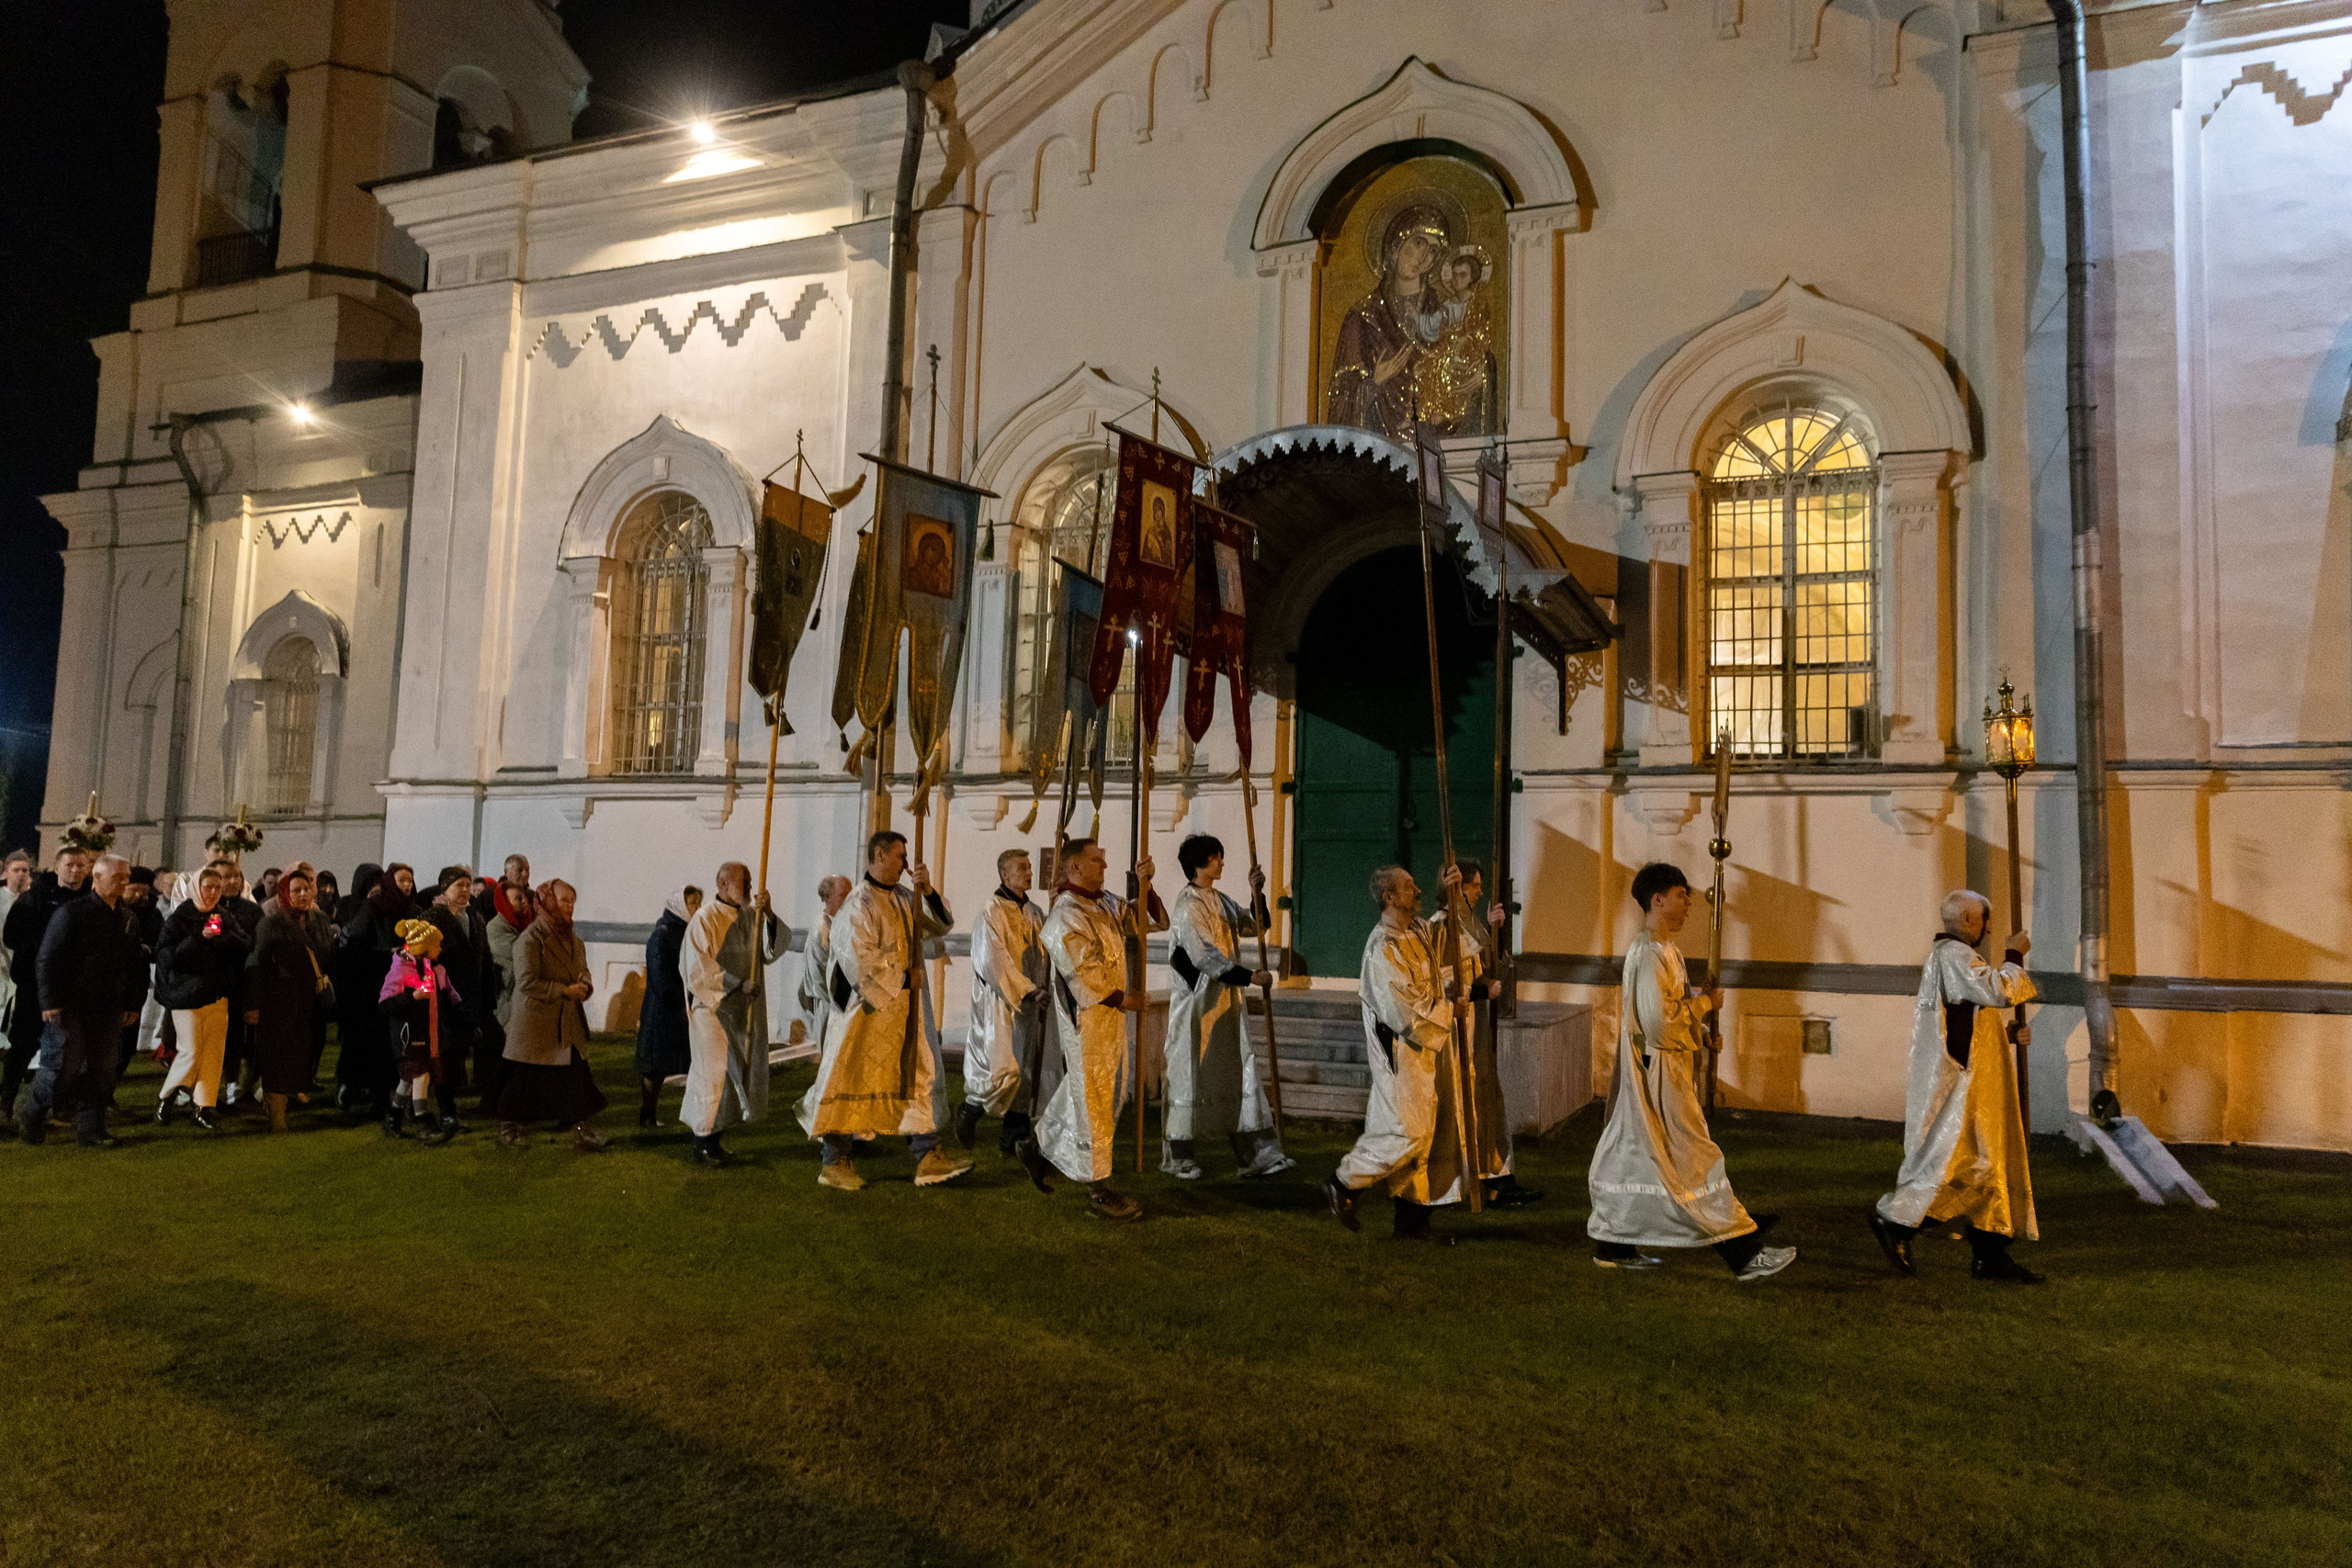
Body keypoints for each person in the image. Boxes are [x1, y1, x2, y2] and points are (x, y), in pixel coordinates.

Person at [1587, 863, 1796, 1280]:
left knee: (1635, 1156)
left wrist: (1701, 1032)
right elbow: (1660, 1024)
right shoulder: (1648, 953)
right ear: (1657, 899)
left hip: (1668, 1069)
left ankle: (1613, 1244)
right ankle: (1743, 1252)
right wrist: (1704, 1007)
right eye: (1681, 894)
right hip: (1658, 1074)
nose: (1688, 903)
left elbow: (1672, 1009)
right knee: (1695, 1156)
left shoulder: (1669, 950)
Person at [1870, 893, 2043, 1285]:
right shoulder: (1955, 955)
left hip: (1976, 1082)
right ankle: (1898, 1221)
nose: (1988, 928)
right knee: (1960, 1163)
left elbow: (1969, 1017)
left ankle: (1990, 1252)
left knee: (1987, 1160)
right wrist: (2013, 955)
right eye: (1984, 919)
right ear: (1968, 919)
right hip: (1965, 1087)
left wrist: (2008, 1033)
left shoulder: (1954, 959)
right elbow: (1999, 991)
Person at [801, 831, 970, 1190]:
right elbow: (857, 959)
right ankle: (834, 1163)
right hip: (864, 1014)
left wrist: (927, 890)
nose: (905, 864)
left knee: (914, 1077)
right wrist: (904, 978)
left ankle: (928, 1157)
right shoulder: (857, 905)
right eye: (899, 857)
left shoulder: (906, 899)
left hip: (901, 1016)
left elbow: (939, 924)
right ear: (878, 855)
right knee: (850, 1080)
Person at [1018, 837, 1166, 1222]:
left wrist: (1146, 885)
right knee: (1095, 1098)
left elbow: (1150, 923)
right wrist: (1124, 999)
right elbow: (1081, 973)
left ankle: (1035, 1146)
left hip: (1110, 1017)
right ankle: (1097, 1189)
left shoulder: (1105, 903)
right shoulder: (1064, 916)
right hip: (1087, 1018)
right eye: (1096, 861)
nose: (1103, 866)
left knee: (1104, 1089)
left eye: (1104, 859)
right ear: (1074, 868)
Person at [1323, 864, 1470, 1245]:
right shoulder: (1382, 948)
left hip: (1424, 1053)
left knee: (1424, 1136)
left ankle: (1412, 1222)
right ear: (1389, 897)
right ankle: (1344, 1182)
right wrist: (1446, 1012)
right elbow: (1403, 1008)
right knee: (1407, 1132)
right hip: (1401, 1053)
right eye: (1408, 887)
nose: (1417, 890)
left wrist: (1456, 898)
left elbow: (1456, 944)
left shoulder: (1418, 931)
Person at [1160, 833, 1291, 1180]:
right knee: (1191, 1076)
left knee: (1237, 1072)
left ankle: (1253, 1154)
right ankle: (1179, 1156)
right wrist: (1250, 977)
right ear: (1198, 863)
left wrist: (1256, 892)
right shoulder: (1188, 906)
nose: (1221, 862)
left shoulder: (1220, 901)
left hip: (1226, 1008)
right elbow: (1204, 956)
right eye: (1215, 857)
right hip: (1196, 1009)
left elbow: (1255, 924)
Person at [1429, 859, 1537, 1209]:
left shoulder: (1469, 924)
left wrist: (1495, 931)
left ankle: (1497, 1176)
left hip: (1478, 1028)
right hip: (1456, 1028)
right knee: (1463, 1099)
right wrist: (1477, 993)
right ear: (1457, 888)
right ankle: (1467, 1178)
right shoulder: (1441, 926)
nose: (1479, 890)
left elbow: (1490, 969)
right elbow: (1439, 983)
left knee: (1487, 1096)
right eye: (1473, 885)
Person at [22, 853, 148, 1147]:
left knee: (103, 1070)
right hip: (72, 1006)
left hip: (109, 1008)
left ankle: (91, 1128)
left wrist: (133, 1003)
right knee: (61, 1068)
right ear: (98, 878)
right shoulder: (71, 914)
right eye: (120, 877)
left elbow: (135, 965)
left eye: (127, 876)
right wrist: (49, 1001)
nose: (126, 882)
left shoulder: (127, 919)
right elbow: (48, 958)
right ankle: (33, 1111)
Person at [680, 863, 788, 1168]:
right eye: (746, 882)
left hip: (742, 1012)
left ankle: (713, 1142)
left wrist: (768, 914)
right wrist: (737, 984)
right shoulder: (705, 920)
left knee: (732, 1079)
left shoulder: (748, 918)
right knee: (711, 1077)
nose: (751, 887)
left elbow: (771, 951)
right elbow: (698, 968)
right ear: (725, 885)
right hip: (713, 1010)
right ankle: (701, 1142)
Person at [494, 878, 607, 1151]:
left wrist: (585, 986)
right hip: (535, 1022)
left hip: (566, 1022)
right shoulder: (530, 939)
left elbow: (583, 970)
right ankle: (509, 1129)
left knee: (575, 1076)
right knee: (522, 1079)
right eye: (563, 900)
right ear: (547, 902)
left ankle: (581, 1129)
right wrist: (564, 990)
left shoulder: (574, 940)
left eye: (571, 900)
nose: (568, 906)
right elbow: (526, 981)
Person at [956, 848, 1047, 1157]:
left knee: (1026, 1069)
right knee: (1003, 1068)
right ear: (1003, 874)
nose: (1028, 871)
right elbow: (992, 960)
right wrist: (1026, 988)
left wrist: (1042, 986)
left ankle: (1014, 1135)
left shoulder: (1034, 912)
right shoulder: (991, 911)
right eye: (1021, 867)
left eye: (1029, 866)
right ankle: (971, 1109)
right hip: (1000, 1001)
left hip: (1032, 1001)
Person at [152, 862, 249, 1130]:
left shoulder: (224, 917)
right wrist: (199, 938)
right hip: (187, 994)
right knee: (191, 1051)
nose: (214, 892)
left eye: (218, 888)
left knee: (213, 1053)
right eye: (208, 886)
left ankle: (204, 1105)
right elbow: (167, 956)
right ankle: (167, 1097)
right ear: (196, 887)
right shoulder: (180, 919)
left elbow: (243, 946)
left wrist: (220, 938)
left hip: (218, 993)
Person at [3, 845, 92, 1131]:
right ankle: (5, 1103)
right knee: (23, 1046)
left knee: (69, 1051)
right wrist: (45, 950)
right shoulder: (36, 898)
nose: (75, 870)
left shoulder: (90, 898)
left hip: (73, 987)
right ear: (57, 866)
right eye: (70, 865)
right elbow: (12, 937)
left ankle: (58, 1106)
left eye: (81, 865)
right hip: (34, 984)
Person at [247, 866, 332, 1134]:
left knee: (298, 1055)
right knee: (277, 1058)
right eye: (296, 890)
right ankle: (278, 1116)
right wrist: (253, 1005)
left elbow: (326, 956)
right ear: (285, 893)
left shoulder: (320, 920)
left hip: (309, 1000)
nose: (303, 894)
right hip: (278, 1000)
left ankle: (276, 1105)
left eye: (307, 889)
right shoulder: (272, 923)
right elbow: (257, 964)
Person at [380, 917, 473, 1144]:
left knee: (408, 1079)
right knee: (421, 1077)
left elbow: (449, 992)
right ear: (425, 947)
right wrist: (412, 997)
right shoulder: (401, 969)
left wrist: (465, 1015)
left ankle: (393, 1118)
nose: (440, 950)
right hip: (409, 1036)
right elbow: (385, 1003)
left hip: (429, 1034)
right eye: (436, 945)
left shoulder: (435, 969)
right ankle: (423, 1123)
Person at [334, 861, 413, 1120]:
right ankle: (358, 1089)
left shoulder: (412, 910)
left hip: (401, 988)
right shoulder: (373, 909)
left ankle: (388, 1097)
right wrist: (387, 954)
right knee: (372, 1044)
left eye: (410, 881)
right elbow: (355, 949)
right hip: (372, 988)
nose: (406, 885)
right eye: (401, 880)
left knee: (396, 1046)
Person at [791, 874, 853, 1134]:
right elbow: (820, 978)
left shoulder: (841, 924)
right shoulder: (821, 931)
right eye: (843, 896)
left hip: (843, 1005)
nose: (849, 901)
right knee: (832, 1066)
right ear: (827, 898)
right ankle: (816, 1117)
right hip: (831, 1006)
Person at [423, 866, 492, 1098]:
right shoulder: (435, 915)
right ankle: (440, 1101)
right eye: (458, 885)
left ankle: (450, 1098)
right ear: (445, 888)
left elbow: (484, 956)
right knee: (446, 1049)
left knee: (461, 1048)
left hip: (470, 994)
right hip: (445, 995)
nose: (465, 890)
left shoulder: (475, 917)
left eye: (467, 885)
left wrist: (487, 994)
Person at [634, 886, 700, 1128]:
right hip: (661, 1011)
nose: (698, 908)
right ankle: (647, 1114)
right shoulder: (662, 935)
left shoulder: (689, 932)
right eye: (693, 903)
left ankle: (694, 1115)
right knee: (655, 1066)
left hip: (681, 1007)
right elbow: (660, 976)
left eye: (698, 903)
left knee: (687, 1062)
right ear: (680, 906)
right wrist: (679, 1004)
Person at [479, 855, 535, 1111]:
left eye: (524, 899)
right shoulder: (497, 930)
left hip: (521, 1003)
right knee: (507, 1058)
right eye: (518, 899)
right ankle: (500, 1105)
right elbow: (519, 966)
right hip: (505, 1003)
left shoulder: (521, 927)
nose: (524, 903)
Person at [212, 862, 265, 1109]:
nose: (232, 882)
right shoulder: (209, 910)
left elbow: (258, 947)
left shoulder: (252, 912)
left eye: (236, 876)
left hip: (244, 982)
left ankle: (235, 1084)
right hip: (215, 983)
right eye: (225, 877)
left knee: (240, 1037)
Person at [0, 851, 30, 1039]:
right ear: (5, 873)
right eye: (15, 870)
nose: (20, 874)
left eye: (24, 870)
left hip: (22, 960)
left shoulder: (33, 899)